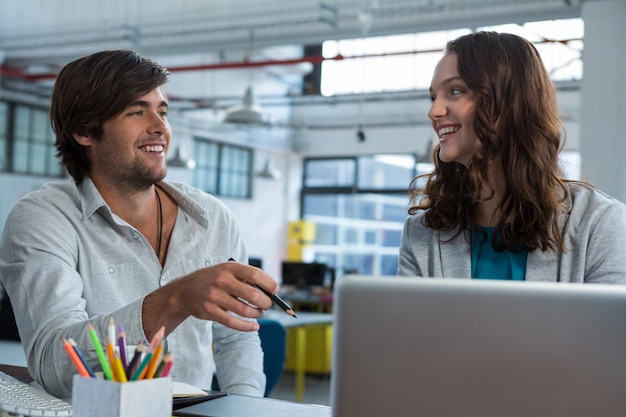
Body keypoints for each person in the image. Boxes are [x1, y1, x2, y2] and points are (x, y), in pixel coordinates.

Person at [0, 50, 279, 398]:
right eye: (136, 111)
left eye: (162, 111)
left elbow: (237, 338)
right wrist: (175, 299)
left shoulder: (213, 217)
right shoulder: (44, 218)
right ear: (84, 131)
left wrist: (244, 407)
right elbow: (54, 363)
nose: (161, 127)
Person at [398, 31, 626, 283]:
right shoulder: (421, 234)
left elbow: (610, 323)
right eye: (433, 97)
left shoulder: (599, 224)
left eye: (455, 91)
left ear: (510, 103)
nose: (434, 111)